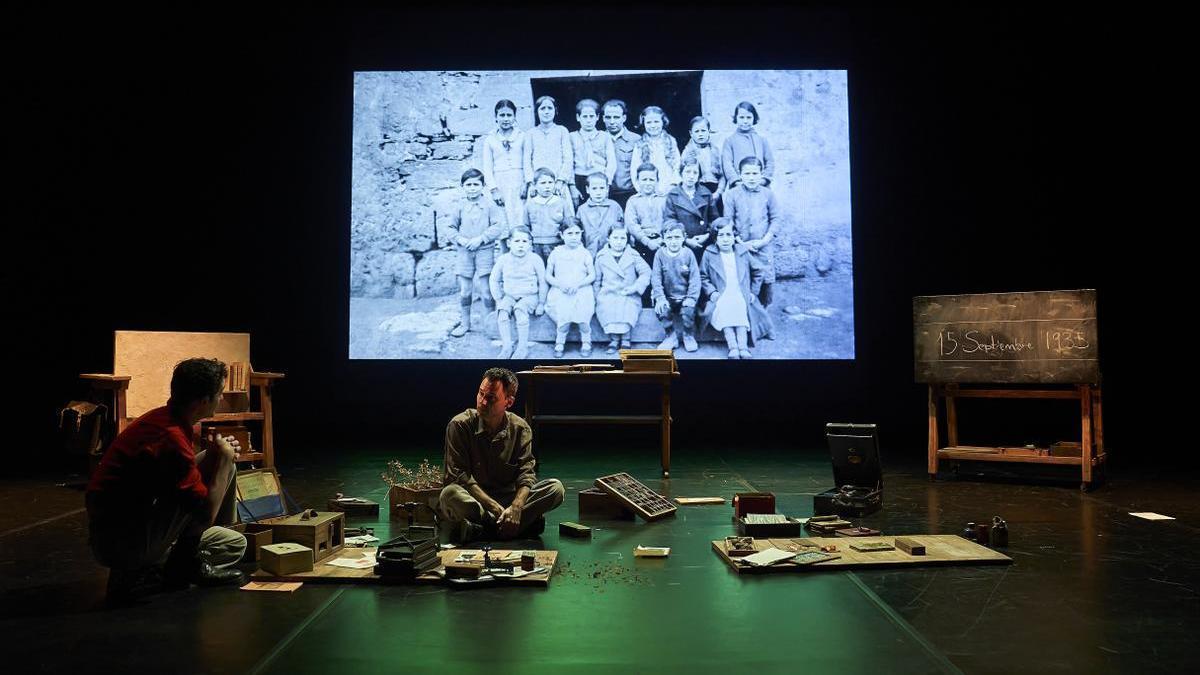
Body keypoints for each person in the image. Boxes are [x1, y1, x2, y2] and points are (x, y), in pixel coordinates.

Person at [86, 358, 247, 604]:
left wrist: (219, 457)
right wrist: (224, 460)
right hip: (122, 544)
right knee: (217, 468)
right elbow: (203, 511)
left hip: (127, 530)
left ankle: (176, 563)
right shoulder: (169, 436)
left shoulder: (166, 419)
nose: (221, 400)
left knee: (235, 543)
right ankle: (163, 571)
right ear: (204, 401)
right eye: (219, 394)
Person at [439, 368, 565, 542]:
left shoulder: (520, 428)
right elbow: (460, 477)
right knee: (449, 494)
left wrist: (516, 507)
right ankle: (511, 527)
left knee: (555, 489)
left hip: (508, 500)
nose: (482, 402)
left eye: (491, 398)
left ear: (509, 402)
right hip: (476, 502)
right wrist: (498, 510)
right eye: (480, 394)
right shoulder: (460, 425)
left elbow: (526, 474)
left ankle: (483, 531)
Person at [699, 218, 774, 359]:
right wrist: (711, 292)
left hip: (740, 291)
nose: (725, 239)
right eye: (721, 235)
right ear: (715, 238)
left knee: (740, 306)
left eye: (729, 235)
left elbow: (758, 270)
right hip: (721, 293)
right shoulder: (709, 253)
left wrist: (753, 292)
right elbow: (703, 276)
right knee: (724, 306)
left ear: (734, 236)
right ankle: (733, 346)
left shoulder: (742, 252)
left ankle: (743, 347)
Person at [447, 168, 505, 338]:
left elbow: (497, 226)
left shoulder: (490, 205)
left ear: (482, 186)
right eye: (468, 185)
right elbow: (450, 228)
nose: (472, 188)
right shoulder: (459, 206)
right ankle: (465, 324)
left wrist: (481, 239)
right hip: (464, 252)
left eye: (476, 184)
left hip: (484, 251)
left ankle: (490, 325)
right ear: (463, 186)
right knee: (465, 290)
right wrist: (461, 240)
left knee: (486, 290)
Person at [721, 156, 780, 307]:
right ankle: (747, 315)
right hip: (742, 246)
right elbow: (728, 221)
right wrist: (740, 242)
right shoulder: (732, 194)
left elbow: (775, 219)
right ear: (740, 175)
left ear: (761, 174)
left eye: (755, 173)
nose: (751, 178)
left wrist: (764, 241)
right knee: (745, 279)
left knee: (766, 280)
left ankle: (764, 313)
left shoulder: (768, 194)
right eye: (747, 174)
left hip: (763, 246)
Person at [489, 227, 547, 359]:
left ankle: (522, 347)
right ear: (509, 243)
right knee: (503, 313)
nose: (521, 245)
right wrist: (498, 298)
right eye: (517, 241)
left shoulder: (535, 259)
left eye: (524, 241)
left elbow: (543, 282)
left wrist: (541, 303)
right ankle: (507, 346)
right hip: (509, 295)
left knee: (520, 311)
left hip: (529, 296)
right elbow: (494, 279)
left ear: (530, 244)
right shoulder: (503, 259)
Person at [593, 226, 650, 353]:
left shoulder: (633, 255)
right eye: (615, 238)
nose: (619, 241)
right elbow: (597, 280)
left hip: (628, 293)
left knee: (627, 308)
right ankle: (613, 339)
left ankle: (626, 338)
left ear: (627, 240)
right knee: (607, 307)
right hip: (608, 293)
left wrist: (635, 287)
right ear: (608, 239)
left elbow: (646, 272)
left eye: (623, 238)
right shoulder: (601, 256)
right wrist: (597, 297)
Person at [544, 221, 597, 358]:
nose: (574, 237)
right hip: (561, 290)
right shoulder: (556, 253)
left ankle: (586, 342)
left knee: (583, 319)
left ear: (581, 234)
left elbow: (592, 275)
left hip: (581, 289)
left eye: (577, 233)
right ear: (562, 235)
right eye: (569, 233)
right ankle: (560, 342)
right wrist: (559, 284)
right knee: (563, 319)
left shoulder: (585, 253)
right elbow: (548, 275)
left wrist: (578, 285)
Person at [480, 99, 526, 249]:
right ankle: (505, 259)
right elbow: (487, 167)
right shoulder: (490, 140)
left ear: (514, 117)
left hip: (519, 183)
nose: (506, 119)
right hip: (500, 184)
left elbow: (527, 162)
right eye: (502, 115)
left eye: (509, 115)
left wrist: (527, 183)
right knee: (503, 223)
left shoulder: (522, 136)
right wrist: (494, 190)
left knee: (520, 220)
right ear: (496, 117)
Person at [651, 221, 701, 352]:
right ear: (663, 239)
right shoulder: (659, 255)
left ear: (684, 237)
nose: (673, 242)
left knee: (689, 311)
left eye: (677, 237)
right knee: (661, 308)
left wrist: (691, 298)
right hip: (667, 296)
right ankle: (670, 336)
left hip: (685, 296)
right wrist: (660, 297)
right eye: (669, 238)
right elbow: (656, 278)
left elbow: (695, 279)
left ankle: (688, 335)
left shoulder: (688, 254)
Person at [523, 96, 573, 203]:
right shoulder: (530, 133)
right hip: (537, 185)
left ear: (555, 110)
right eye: (542, 108)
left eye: (550, 108)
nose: (546, 112)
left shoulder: (562, 131)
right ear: (536, 111)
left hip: (558, 185)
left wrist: (560, 181)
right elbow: (526, 161)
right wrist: (532, 183)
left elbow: (568, 159)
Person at [662, 159, 718, 254]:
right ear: (681, 173)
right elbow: (670, 221)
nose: (691, 176)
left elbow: (714, 219)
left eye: (695, 173)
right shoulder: (673, 195)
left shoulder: (706, 194)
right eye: (687, 172)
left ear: (699, 176)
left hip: (704, 241)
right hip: (681, 244)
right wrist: (686, 239)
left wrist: (707, 235)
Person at [569, 99, 617, 206]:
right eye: (585, 117)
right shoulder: (572, 137)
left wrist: (607, 183)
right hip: (579, 179)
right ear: (578, 117)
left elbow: (611, 162)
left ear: (597, 117)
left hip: (600, 179)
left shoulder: (605, 137)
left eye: (591, 116)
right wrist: (572, 186)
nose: (588, 120)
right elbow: (569, 163)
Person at [523, 167, 574, 262]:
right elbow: (526, 226)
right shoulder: (529, 204)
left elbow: (569, 224)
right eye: (543, 183)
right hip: (536, 245)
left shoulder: (562, 203)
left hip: (557, 244)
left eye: (550, 182)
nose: (547, 186)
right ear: (534, 185)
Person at [720, 101, 774, 188]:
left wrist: (763, 180)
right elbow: (727, 164)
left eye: (749, 117)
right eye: (741, 117)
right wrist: (736, 181)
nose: (745, 121)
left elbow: (770, 161)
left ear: (754, 118)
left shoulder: (761, 140)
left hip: (760, 185)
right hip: (739, 186)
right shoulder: (729, 141)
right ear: (736, 118)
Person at [630, 105, 681, 195]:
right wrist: (641, 190)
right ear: (643, 124)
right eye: (649, 122)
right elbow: (634, 168)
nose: (653, 126)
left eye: (656, 122)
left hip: (669, 189)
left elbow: (677, 165)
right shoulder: (639, 144)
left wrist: (672, 186)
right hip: (648, 190)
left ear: (663, 122)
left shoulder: (671, 141)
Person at [625, 162, 667, 269]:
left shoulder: (663, 199)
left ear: (657, 181)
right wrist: (647, 241)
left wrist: (662, 239)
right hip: (641, 243)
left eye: (651, 180)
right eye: (644, 179)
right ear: (637, 181)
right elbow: (632, 225)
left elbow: (669, 220)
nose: (648, 183)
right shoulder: (633, 201)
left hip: (661, 242)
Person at [601, 99, 641, 208]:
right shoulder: (598, 139)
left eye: (616, 117)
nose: (612, 121)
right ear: (603, 118)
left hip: (629, 194)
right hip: (603, 194)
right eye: (608, 117)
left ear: (624, 118)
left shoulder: (636, 140)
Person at [576, 171, 624, 257]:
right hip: (589, 253)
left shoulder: (615, 207)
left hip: (611, 252)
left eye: (602, 188)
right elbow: (578, 234)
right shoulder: (582, 210)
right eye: (594, 188)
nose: (598, 192)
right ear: (587, 190)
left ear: (607, 189)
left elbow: (623, 228)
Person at [681, 115, 725, 202]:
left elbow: (723, 176)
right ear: (691, 134)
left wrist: (718, 193)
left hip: (714, 190)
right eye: (697, 131)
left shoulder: (716, 151)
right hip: (695, 190)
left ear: (709, 131)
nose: (700, 134)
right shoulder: (687, 152)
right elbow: (682, 174)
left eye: (703, 131)